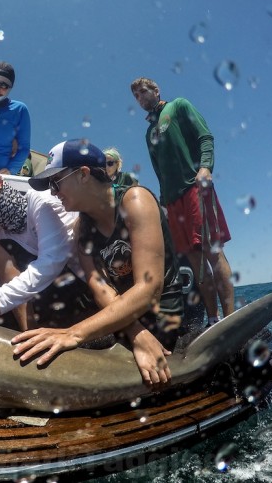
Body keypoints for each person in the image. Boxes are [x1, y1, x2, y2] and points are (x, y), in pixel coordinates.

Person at [11, 140, 184, 388]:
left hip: (163, 317)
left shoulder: (135, 200)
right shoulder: (82, 230)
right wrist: (136, 333)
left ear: (83, 174)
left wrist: (74, 334)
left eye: (56, 182)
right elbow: (101, 289)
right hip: (125, 323)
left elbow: (150, 288)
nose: (52, 192)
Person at [130, 77, 234, 325]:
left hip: (195, 188)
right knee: (195, 261)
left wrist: (206, 167)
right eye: (136, 96)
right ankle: (212, 319)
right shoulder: (148, 133)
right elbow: (158, 170)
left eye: (143, 92)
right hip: (173, 202)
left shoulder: (178, 106)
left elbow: (205, 137)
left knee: (212, 252)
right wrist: (163, 201)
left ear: (156, 90)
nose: (140, 98)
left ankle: (232, 319)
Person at [0, 172, 87, 331]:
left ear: (5, 191)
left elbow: (52, 260)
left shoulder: (41, 202)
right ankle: (29, 334)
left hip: (79, 282)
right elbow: (4, 285)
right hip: (47, 296)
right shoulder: (0, 234)